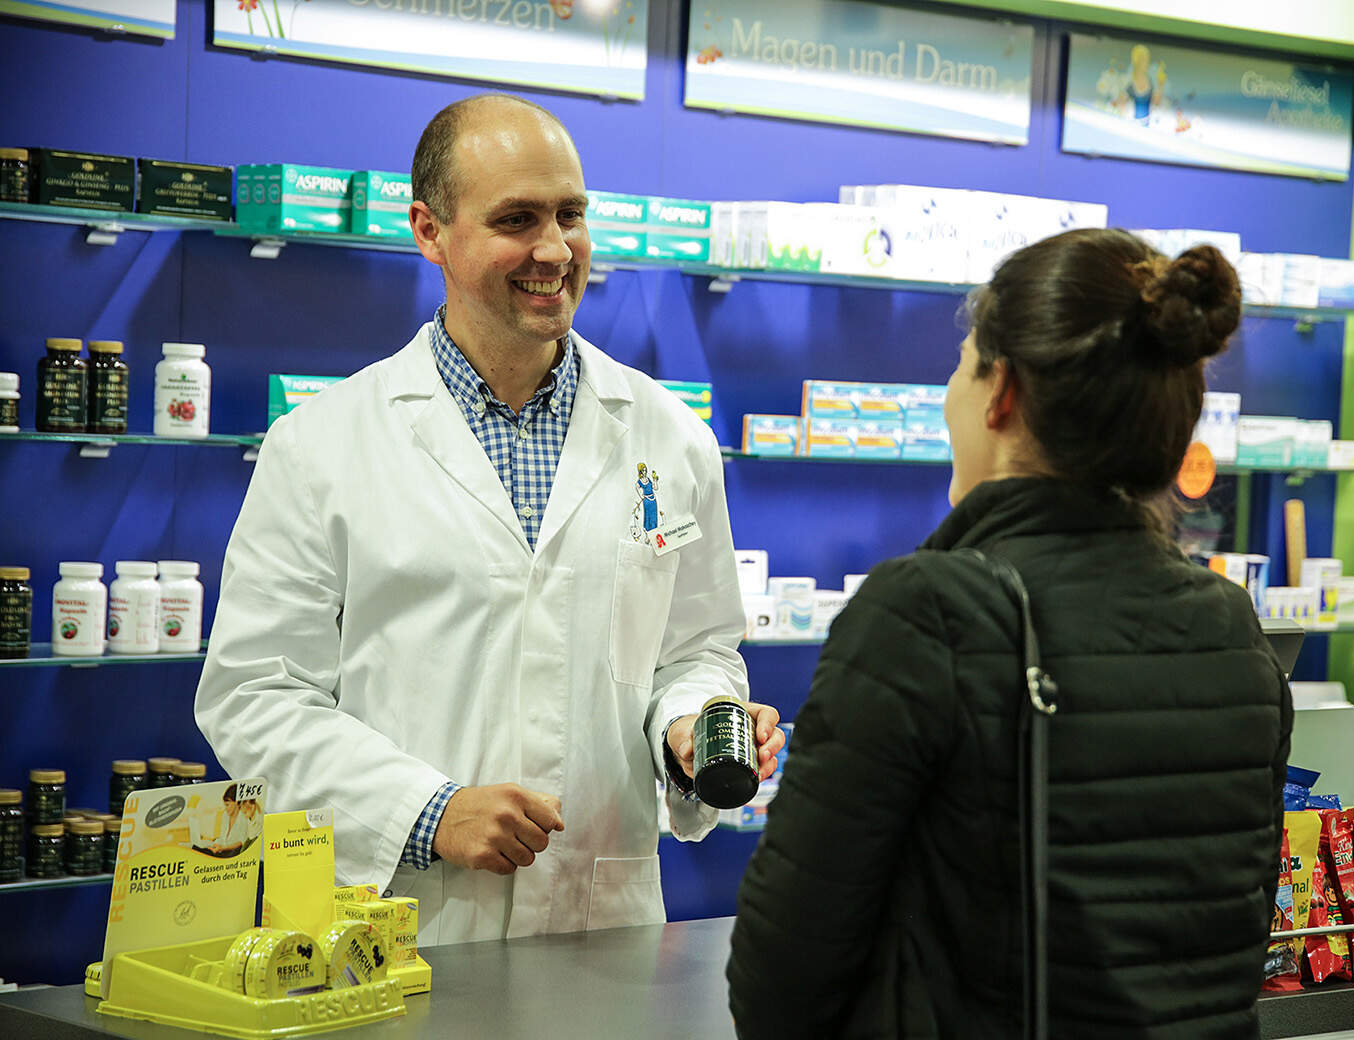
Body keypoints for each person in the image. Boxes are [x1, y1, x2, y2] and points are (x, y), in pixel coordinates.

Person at [196, 93, 783, 945]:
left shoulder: (670, 436)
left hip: (600, 924)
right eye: (517, 220)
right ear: (429, 231)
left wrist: (689, 727)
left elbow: (695, 652)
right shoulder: (320, 445)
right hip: (401, 925)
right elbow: (255, 695)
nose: (555, 249)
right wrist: (427, 811)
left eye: (570, 215)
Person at [727, 229, 1292, 1038]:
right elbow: (1233, 941)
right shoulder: (1232, 626)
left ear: (1003, 395)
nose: (950, 394)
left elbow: (781, 979)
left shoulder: (924, 614)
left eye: (962, 366)